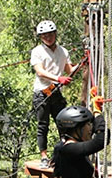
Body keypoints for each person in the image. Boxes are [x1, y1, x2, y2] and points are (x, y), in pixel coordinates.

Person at [30, 20, 77, 169]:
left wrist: (82, 63)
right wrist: (58, 78)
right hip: (42, 93)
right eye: (44, 36)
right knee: (43, 125)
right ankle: (44, 156)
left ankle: (65, 152)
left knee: (63, 123)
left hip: (56, 92)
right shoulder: (37, 51)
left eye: (50, 34)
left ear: (55, 34)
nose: (48, 38)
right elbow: (40, 71)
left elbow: (69, 70)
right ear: (40, 37)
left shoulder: (63, 51)